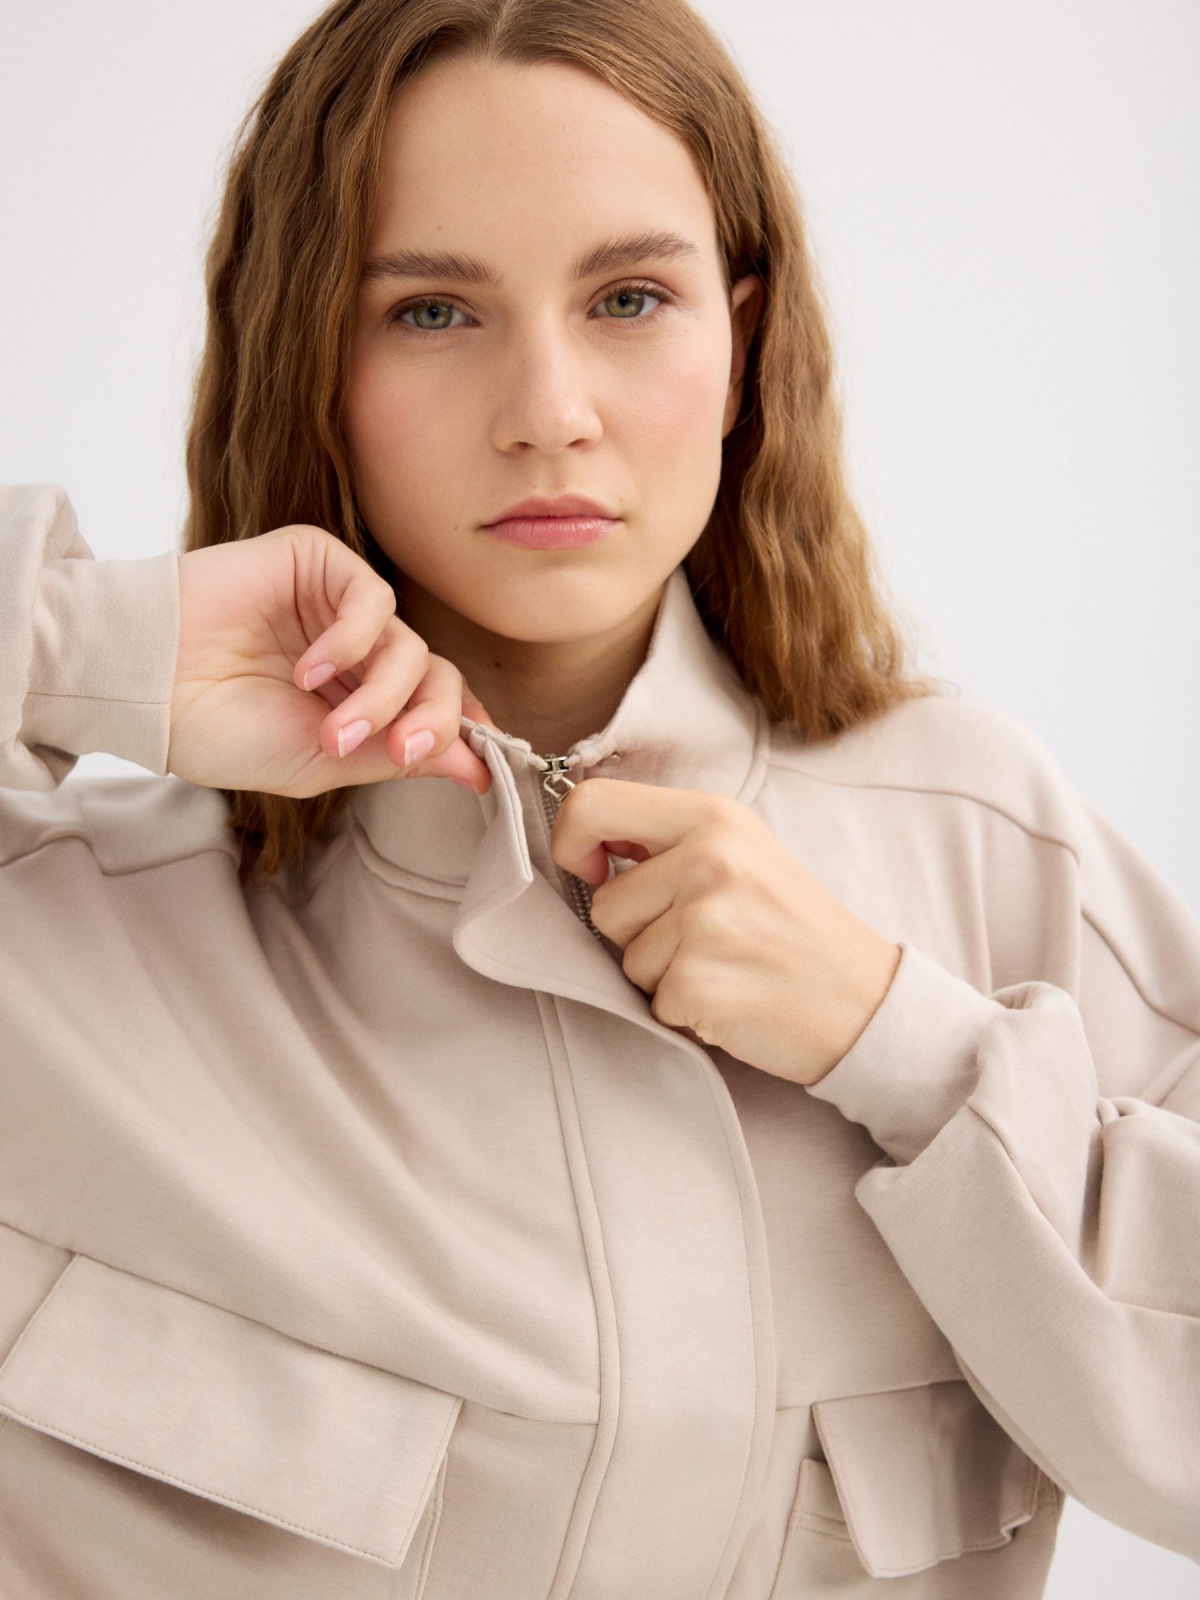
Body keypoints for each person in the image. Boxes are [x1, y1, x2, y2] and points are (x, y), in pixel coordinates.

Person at [0, 0, 1196, 1595]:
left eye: (629, 296)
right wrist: (79, 644)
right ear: (311, 356)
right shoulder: (68, 948)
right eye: (432, 312)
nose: (548, 407)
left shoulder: (987, 847)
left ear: (741, 341)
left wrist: (902, 1047)